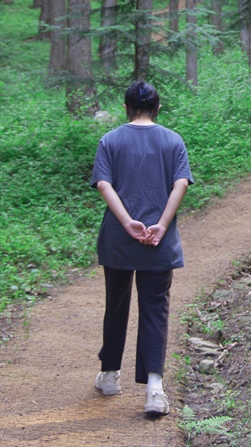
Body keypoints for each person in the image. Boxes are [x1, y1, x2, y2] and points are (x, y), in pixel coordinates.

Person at [90, 80, 194, 416]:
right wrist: (162, 224)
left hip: (120, 240)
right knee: (155, 310)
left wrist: (126, 222)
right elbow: (181, 183)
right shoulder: (173, 141)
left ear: (125, 108)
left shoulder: (110, 140)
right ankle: (154, 390)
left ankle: (109, 376)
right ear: (158, 108)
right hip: (158, 243)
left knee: (115, 305)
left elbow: (103, 183)